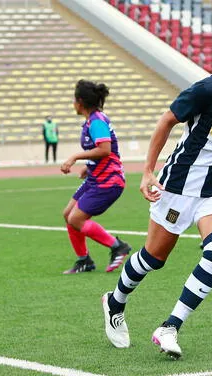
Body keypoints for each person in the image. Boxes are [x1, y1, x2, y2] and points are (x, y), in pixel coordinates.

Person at [100, 14, 212, 358]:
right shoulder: (210, 88)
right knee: (154, 258)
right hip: (179, 185)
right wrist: (148, 172)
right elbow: (167, 120)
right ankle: (115, 300)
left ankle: (169, 327)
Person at [59, 80, 131, 274]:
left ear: (80, 102)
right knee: (68, 215)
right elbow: (99, 151)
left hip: (108, 181)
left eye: (74, 99)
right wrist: (88, 166)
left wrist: (75, 157)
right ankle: (84, 261)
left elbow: (105, 150)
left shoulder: (97, 121)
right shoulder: (93, 120)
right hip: (96, 178)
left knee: (76, 219)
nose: (73, 103)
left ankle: (117, 246)